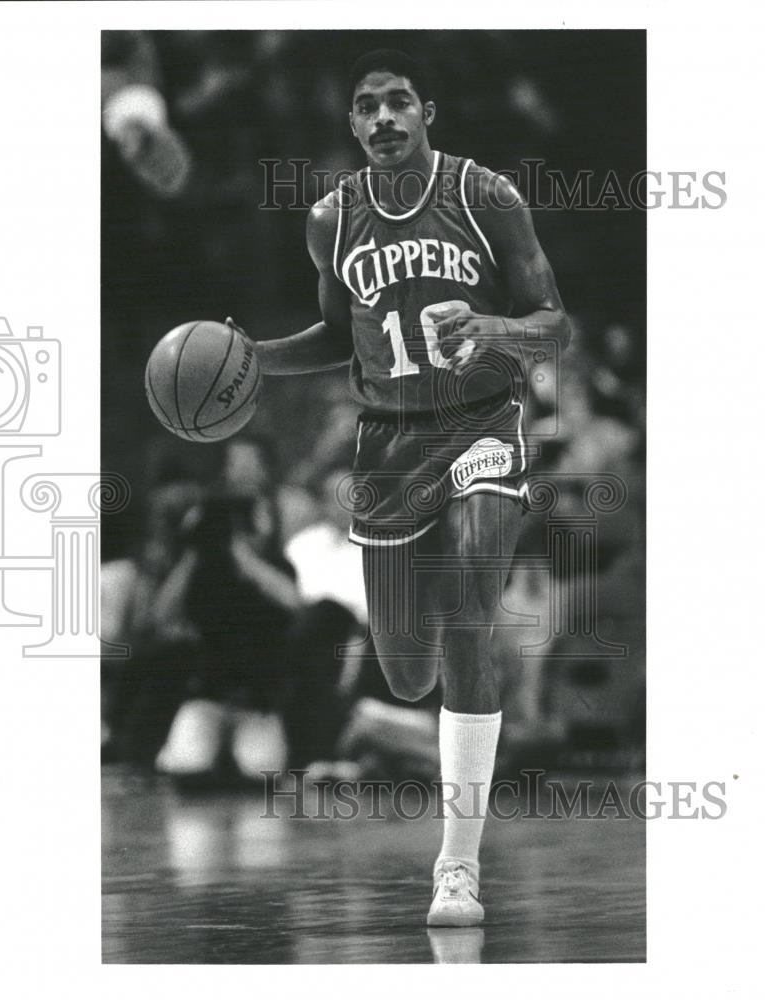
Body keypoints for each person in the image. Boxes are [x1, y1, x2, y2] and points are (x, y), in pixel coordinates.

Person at [225, 49, 570, 927]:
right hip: (385, 445)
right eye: (365, 106)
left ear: (426, 112)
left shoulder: (485, 196)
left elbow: (553, 326)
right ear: (351, 125)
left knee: (467, 611)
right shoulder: (329, 220)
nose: (382, 118)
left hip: (483, 420)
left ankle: (457, 866)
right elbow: (337, 335)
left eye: (397, 103)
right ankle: (416, 715)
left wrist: (490, 324)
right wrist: (256, 358)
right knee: (409, 670)